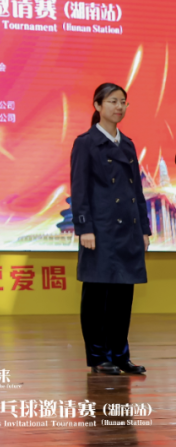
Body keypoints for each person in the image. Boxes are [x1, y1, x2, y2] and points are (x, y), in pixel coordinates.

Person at [70, 83, 151, 375]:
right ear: (97, 105)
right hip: (100, 230)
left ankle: (119, 355)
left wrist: (144, 229)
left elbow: (137, 191)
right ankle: (98, 357)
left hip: (128, 231)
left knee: (122, 297)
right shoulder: (86, 142)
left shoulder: (127, 144)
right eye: (113, 101)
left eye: (123, 102)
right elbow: (79, 189)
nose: (119, 107)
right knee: (97, 296)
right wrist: (85, 228)